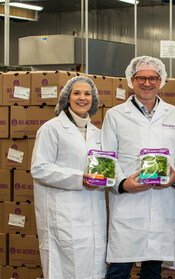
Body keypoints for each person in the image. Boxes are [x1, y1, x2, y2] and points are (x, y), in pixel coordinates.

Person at [102, 56, 175, 279]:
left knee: (153, 270)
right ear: (131, 80)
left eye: (153, 78)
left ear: (161, 81)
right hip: (127, 203)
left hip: (161, 202)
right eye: (141, 78)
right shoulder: (114, 116)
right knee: (119, 269)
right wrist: (123, 184)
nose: (147, 83)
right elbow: (107, 158)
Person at [31, 76, 107, 279]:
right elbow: (39, 168)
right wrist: (79, 177)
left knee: (93, 269)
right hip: (64, 215)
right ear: (66, 98)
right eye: (77, 93)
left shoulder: (98, 134)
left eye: (87, 94)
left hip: (94, 216)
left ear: (94, 100)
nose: (82, 98)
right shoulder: (51, 129)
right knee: (64, 270)